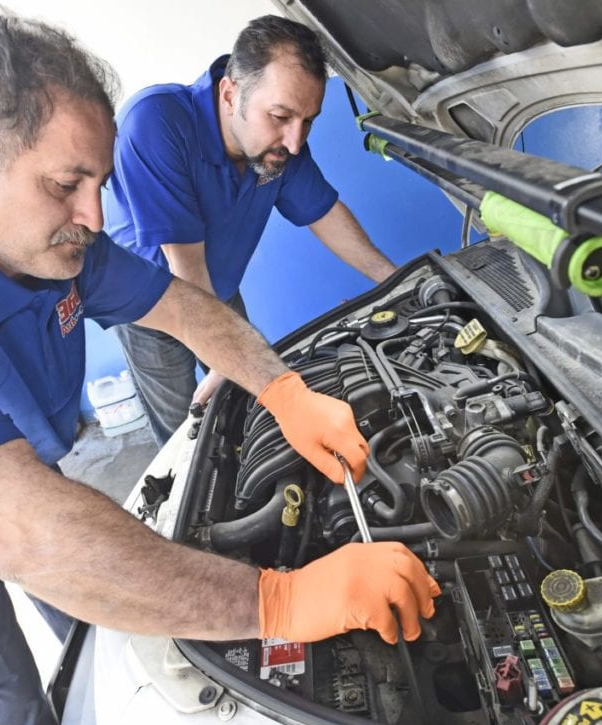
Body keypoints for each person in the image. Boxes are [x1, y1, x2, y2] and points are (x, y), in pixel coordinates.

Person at [0, 9, 439, 725]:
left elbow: (184, 305)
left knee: (103, 636)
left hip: (25, 471)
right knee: (24, 715)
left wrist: (283, 389)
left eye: (98, 181)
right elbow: (27, 536)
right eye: (66, 184)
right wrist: (275, 602)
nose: (94, 215)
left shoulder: (60, 244)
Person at [106, 15, 398, 446]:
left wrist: (395, 281)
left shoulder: (279, 146)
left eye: (308, 121)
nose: (295, 142)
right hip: (149, 304)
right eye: (280, 116)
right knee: (191, 431)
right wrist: (231, 361)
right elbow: (184, 268)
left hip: (217, 288)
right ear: (230, 94)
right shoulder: (155, 123)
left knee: (253, 407)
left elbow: (324, 213)